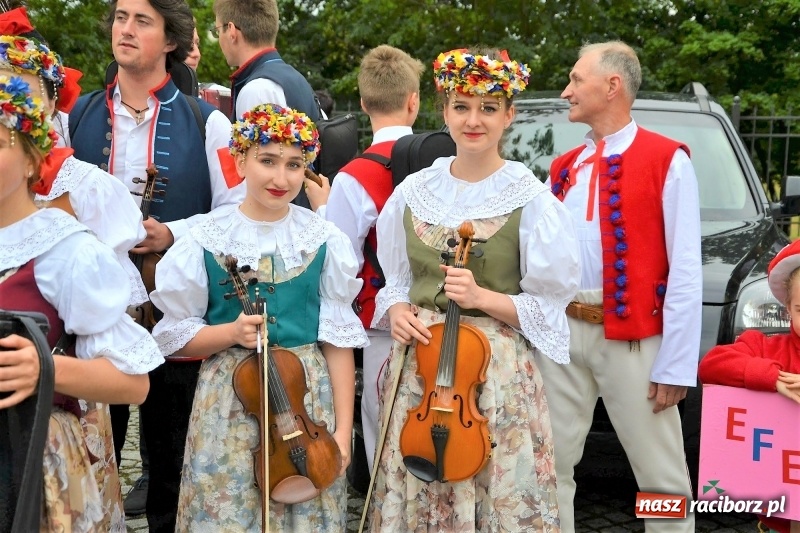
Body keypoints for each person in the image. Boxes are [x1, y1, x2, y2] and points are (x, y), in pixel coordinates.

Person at [363, 47, 580, 531]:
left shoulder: (531, 199)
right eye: (461, 106)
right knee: (419, 482)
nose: (473, 120)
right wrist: (396, 307)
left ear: (509, 116)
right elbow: (395, 279)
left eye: (487, 108)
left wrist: (483, 298)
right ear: (444, 112)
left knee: (494, 492)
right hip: (420, 370)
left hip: (491, 373)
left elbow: (548, 308)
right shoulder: (414, 191)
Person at [67, 0, 245, 530]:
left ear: (171, 39)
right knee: (94, 449)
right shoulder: (76, 115)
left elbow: (236, 205)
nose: (125, 29)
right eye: (121, 17)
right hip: (95, 308)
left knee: (172, 454)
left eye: (142, 20)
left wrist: (173, 232)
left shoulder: (207, 121)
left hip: (174, 303)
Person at [150, 102, 366, 531]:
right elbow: (173, 337)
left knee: (306, 512)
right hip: (232, 403)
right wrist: (229, 332)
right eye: (267, 161)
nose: (280, 178)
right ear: (240, 160)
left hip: (308, 402)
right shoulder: (205, 236)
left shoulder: (323, 238)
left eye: (294, 164)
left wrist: (343, 433)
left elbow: (338, 341)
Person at [539, 40, 701, 532]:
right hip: (563, 333)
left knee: (661, 474)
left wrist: (675, 362)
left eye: (575, 79)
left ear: (612, 86)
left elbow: (686, 269)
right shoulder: (564, 166)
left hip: (634, 340)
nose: (566, 90)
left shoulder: (667, 159)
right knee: (548, 464)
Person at [0, 73, 163, 532]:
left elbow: (135, 384)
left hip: (27, 458)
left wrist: (44, 370)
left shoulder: (65, 250)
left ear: (34, 159)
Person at [324, 44, 423, 473]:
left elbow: (338, 264)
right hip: (448, 316)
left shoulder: (352, 177)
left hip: (382, 326)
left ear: (363, 104)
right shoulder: (450, 162)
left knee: (385, 442)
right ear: (414, 100)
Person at [699, 240, 800, 533]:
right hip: (778, 512)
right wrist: (771, 377)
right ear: (787, 310)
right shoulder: (764, 346)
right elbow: (712, 365)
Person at [212, 0, 322, 209]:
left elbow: (260, 176)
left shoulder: (257, 89)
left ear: (232, 31)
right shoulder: (292, 76)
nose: (220, 40)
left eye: (218, 30)